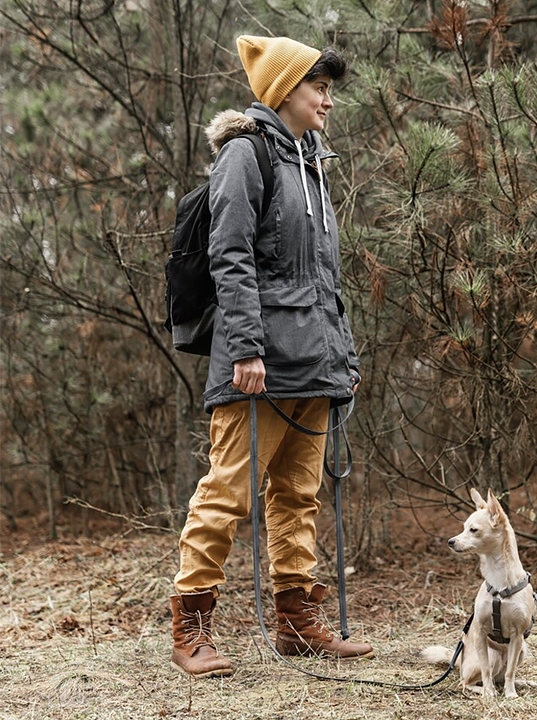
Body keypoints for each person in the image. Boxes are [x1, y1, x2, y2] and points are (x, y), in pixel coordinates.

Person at [169, 35, 374, 679]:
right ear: (286, 90)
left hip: (315, 359)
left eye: (330, 88)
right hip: (257, 362)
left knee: (299, 493)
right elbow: (229, 258)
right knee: (228, 492)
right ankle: (191, 627)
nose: (327, 100)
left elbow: (322, 279)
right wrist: (248, 349)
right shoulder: (244, 156)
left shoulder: (313, 164)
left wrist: (342, 358)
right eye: (319, 87)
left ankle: (296, 621)